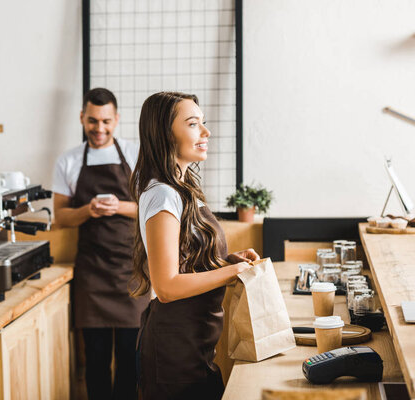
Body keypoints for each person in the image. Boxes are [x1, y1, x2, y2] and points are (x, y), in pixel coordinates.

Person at [130, 91, 260, 400]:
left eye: (203, 123)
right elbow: (167, 286)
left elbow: (187, 261)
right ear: (165, 133)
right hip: (173, 351)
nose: (206, 132)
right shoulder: (163, 195)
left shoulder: (183, 189)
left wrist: (228, 260)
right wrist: (231, 272)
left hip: (194, 344)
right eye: (192, 124)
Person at [52, 88, 149, 400]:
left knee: (129, 362)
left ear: (117, 119)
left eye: (106, 121)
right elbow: (61, 217)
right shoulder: (68, 161)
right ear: (82, 118)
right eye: (92, 121)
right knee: (94, 362)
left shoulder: (135, 154)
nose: (99, 128)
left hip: (131, 272)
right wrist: (87, 210)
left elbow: (151, 207)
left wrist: (118, 206)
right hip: (92, 274)